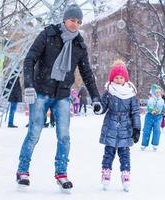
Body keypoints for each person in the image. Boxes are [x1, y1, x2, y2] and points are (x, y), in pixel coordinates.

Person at [16, 4, 101, 192]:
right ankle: (22, 171)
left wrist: (95, 97)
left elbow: (86, 72)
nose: (75, 24)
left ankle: (61, 173)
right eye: (72, 20)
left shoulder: (79, 45)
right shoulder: (48, 34)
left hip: (62, 95)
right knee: (34, 133)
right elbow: (30, 58)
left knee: (64, 136)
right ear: (65, 19)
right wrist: (28, 86)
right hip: (40, 91)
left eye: (79, 22)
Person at [96, 60, 141, 192]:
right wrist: (98, 107)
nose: (119, 79)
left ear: (125, 78)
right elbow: (103, 106)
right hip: (111, 125)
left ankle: (125, 174)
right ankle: (106, 172)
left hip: (126, 127)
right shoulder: (109, 91)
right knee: (108, 152)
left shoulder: (131, 94)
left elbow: (135, 112)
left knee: (124, 153)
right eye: (116, 77)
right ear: (112, 78)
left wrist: (136, 128)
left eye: (121, 77)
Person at [141, 84, 165, 151]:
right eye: (156, 93)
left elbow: (163, 108)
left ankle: (155, 144)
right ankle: (144, 144)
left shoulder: (162, 100)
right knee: (146, 130)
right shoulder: (151, 100)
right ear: (153, 93)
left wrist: (163, 113)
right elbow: (149, 107)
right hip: (149, 116)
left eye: (159, 92)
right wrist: (152, 111)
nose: (158, 94)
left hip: (158, 117)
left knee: (157, 130)